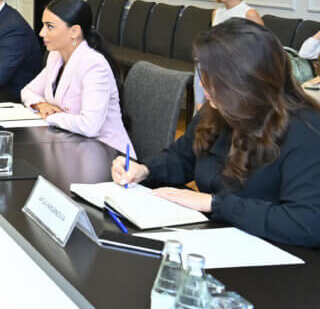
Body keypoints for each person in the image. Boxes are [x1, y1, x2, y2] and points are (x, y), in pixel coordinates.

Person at [112, 20, 320, 248]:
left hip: (277, 253)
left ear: (242, 81)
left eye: (212, 77)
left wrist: (215, 204)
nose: (202, 85)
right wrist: (145, 170)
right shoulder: (218, 110)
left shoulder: (307, 130)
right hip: (220, 239)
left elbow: (306, 223)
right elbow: (183, 158)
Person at [21, 0, 134, 155]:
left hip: (107, 153)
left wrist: (51, 117)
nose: (41, 33)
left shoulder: (94, 65)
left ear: (74, 31)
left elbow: (90, 126)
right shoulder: (56, 55)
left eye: (50, 26)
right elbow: (27, 91)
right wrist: (42, 105)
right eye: (43, 25)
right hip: (71, 145)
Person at [193, 0, 263, 108]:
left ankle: (206, 109)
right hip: (217, 61)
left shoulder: (249, 13)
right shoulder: (217, 13)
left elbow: (262, 46)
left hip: (239, 64)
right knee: (201, 61)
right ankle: (200, 109)